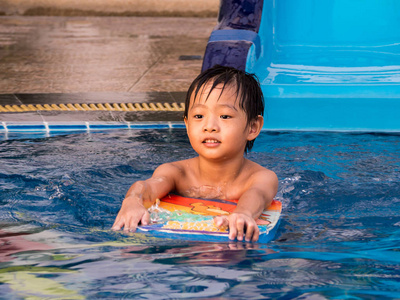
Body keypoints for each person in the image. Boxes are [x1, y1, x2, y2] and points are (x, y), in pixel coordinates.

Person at [112, 65, 278, 242]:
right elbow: (147, 187)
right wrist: (132, 201)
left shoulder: (261, 177)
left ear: (253, 127)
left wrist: (243, 213)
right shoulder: (176, 173)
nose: (209, 126)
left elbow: (257, 195)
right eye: (199, 116)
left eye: (225, 116)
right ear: (187, 124)